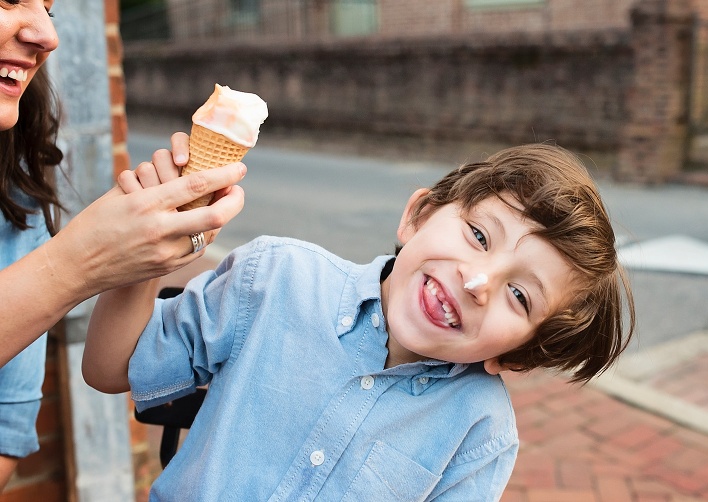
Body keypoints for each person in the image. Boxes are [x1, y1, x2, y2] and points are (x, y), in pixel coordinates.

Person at [83, 143, 635, 500]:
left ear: (515, 354)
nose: (478, 281)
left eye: (519, 294)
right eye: (480, 236)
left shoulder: (479, 433)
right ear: (418, 216)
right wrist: (143, 254)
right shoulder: (275, 279)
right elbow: (110, 368)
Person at [0, 0, 245, 490]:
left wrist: (149, 252)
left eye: (51, 10)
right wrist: (75, 264)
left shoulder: (16, 206)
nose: (48, 36)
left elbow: (7, 441)